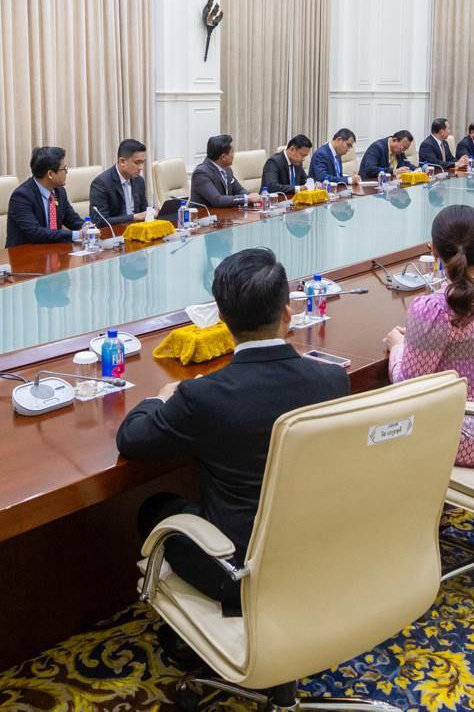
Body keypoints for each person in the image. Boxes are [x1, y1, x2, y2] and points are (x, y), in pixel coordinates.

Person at [116, 248, 350, 615]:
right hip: (317, 550)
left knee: (155, 508)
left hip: (238, 572)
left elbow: (131, 439)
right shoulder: (333, 380)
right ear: (287, 313)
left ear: (222, 319)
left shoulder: (204, 396)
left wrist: (160, 398)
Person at [384, 205, 474, 467]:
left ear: (433, 250)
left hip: (459, 440)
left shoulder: (433, 310)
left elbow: (408, 387)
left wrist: (398, 346)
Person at [6, 146, 86, 247]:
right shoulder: (21, 197)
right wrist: (77, 234)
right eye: (64, 168)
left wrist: (87, 227)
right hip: (25, 253)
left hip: (54, 251)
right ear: (50, 174)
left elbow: (71, 219)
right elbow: (35, 233)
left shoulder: (59, 191)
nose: (66, 172)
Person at [88, 139, 150, 225]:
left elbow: (144, 212)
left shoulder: (139, 181)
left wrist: (152, 212)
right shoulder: (101, 183)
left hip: (137, 230)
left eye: (142, 162)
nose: (141, 168)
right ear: (122, 161)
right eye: (137, 163)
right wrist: (134, 217)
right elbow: (100, 221)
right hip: (115, 231)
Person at [190, 134, 253, 209]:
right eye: (232, 152)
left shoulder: (227, 169)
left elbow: (239, 190)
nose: (234, 155)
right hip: (204, 215)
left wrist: (252, 197)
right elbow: (217, 200)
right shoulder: (201, 173)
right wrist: (246, 198)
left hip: (225, 214)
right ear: (223, 157)